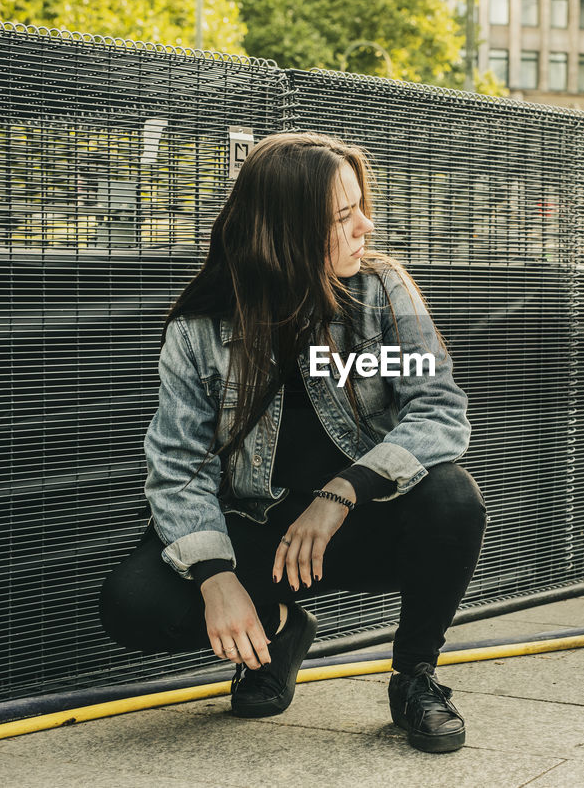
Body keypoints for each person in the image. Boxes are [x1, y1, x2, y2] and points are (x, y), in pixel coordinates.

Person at [98, 131, 487, 754]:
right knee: (134, 604)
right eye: (343, 215)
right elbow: (177, 469)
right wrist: (216, 577)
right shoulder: (199, 332)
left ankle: (415, 678)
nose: (366, 224)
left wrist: (344, 490)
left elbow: (438, 408)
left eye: (362, 205)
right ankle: (279, 627)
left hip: (359, 523)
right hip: (258, 527)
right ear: (287, 232)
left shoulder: (381, 292)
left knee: (452, 499)